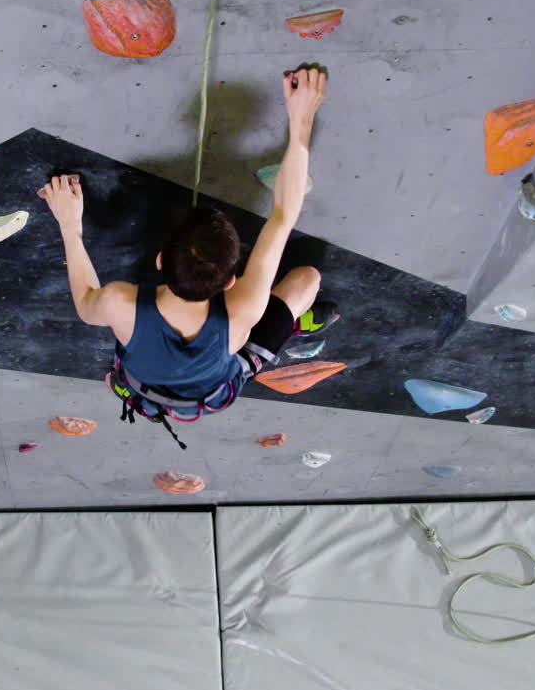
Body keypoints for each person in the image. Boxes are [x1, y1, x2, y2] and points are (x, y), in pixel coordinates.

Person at [39, 66, 336, 447]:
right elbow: (282, 216)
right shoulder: (243, 307)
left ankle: (130, 390)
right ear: (231, 280)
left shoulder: (121, 302)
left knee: (121, 380)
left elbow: (85, 303)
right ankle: (293, 325)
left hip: (149, 383)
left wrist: (69, 223)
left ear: (159, 261)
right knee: (307, 279)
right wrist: (301, 122)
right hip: (214, 389)